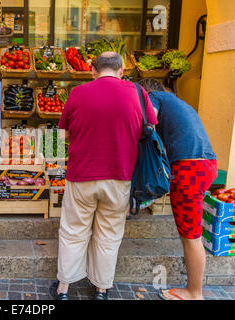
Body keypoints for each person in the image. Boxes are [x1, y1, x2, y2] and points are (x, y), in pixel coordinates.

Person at [49, 52, 158, 300]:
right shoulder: (138, 93)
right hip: (120, 176)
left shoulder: (78, 93)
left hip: (82, 175)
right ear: (121, 71)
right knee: (109, 234)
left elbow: (63, 134)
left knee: (73, 231)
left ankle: (64, 288)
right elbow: (153, 125)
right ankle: (101, 289)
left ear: (93, 71)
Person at [138, 79, 218, 301]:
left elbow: (147, 124)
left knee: (191, 235)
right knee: (188, 232)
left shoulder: (154, 98)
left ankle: (194, 292)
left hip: (190, 168)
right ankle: (192, 289)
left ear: (145, 93)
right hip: (205, 164)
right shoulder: (180, 103)